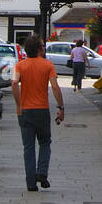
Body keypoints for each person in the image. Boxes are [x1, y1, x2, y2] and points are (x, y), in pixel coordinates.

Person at [11, 33, 65, 192]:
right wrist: (61, 107)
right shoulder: (48, 65)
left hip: (25, 111)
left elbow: (14, 83)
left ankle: (30, 183)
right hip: (42, 110)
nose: (44, 48)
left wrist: (18, 104)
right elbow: (55, 86)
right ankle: (42, 173)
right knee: (45, 142)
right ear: (39, 49)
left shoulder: (19, 66)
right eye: (43, 46)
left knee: (28, 147)